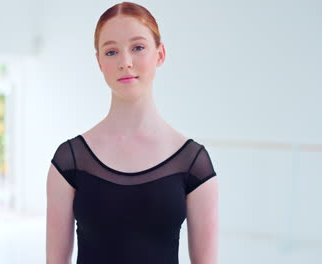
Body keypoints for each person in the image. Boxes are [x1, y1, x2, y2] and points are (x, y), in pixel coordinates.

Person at [46, 2, 218, 264]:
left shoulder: (194, 163)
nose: (125, 62)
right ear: (99, 62)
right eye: (112, 51)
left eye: (138, 48)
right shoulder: (69, 161)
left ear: (160, 54)